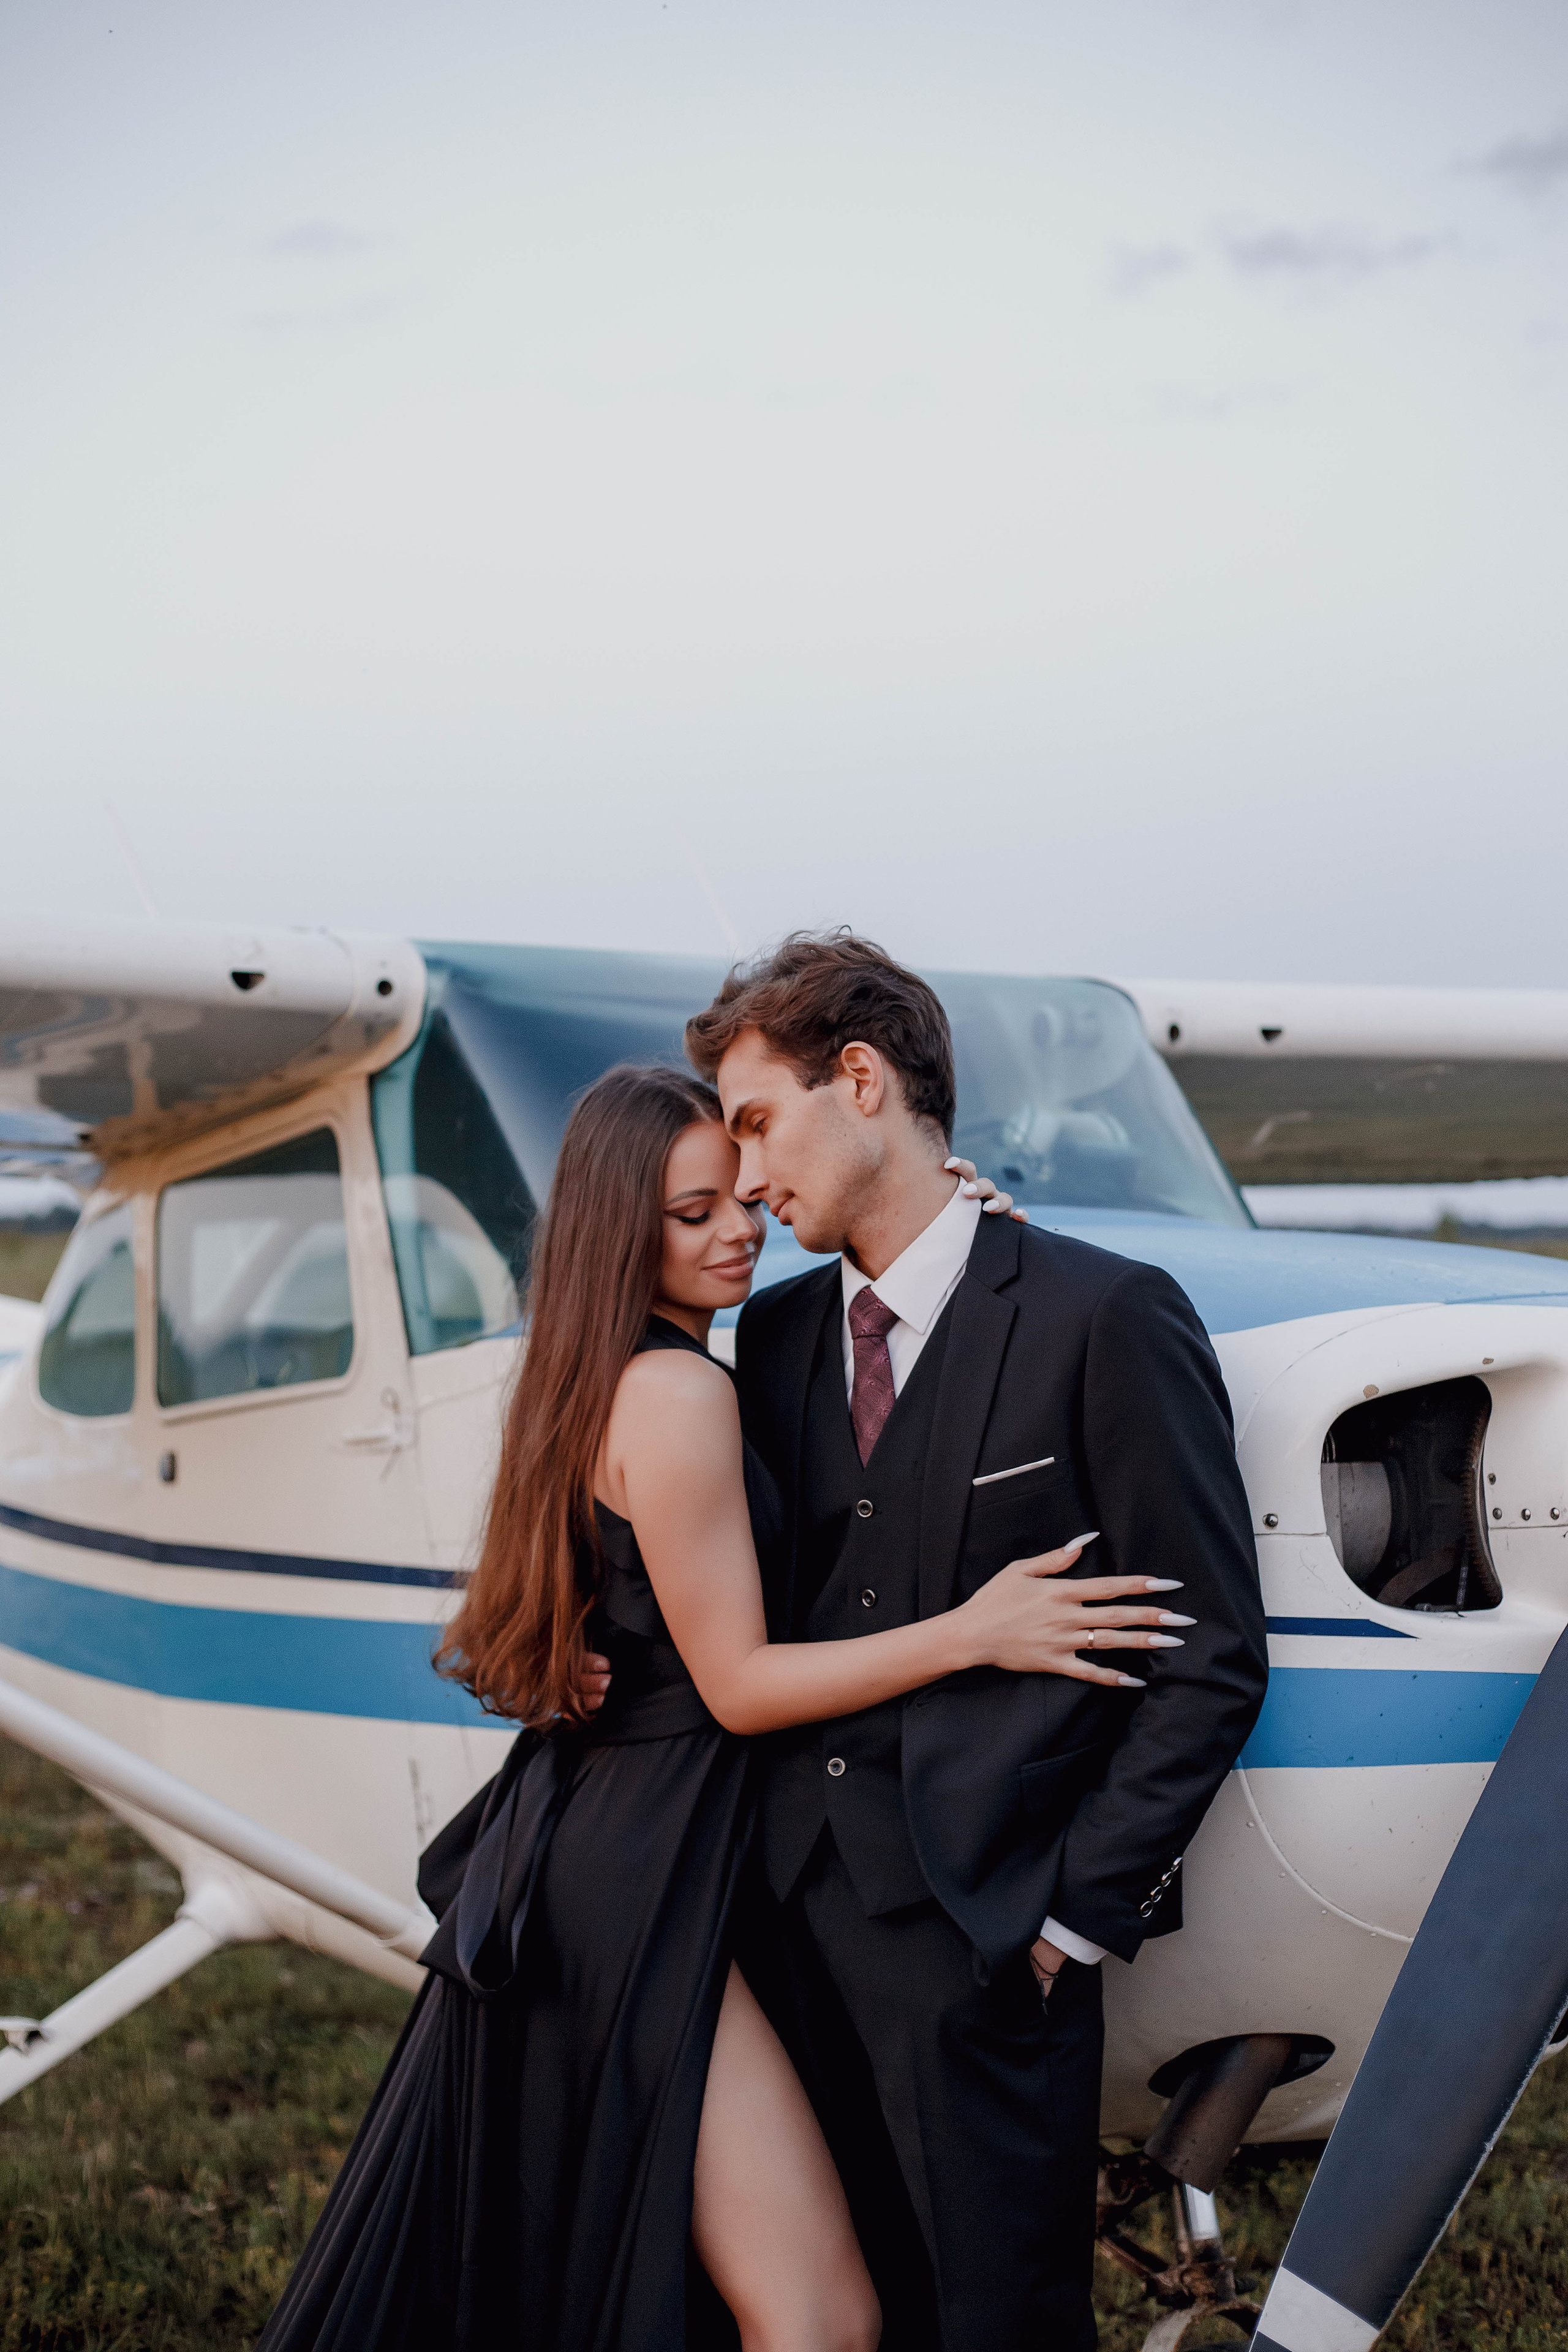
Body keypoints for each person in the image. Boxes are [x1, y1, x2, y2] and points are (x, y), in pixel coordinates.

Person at [257, 1063, 1188, 2352]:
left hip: (636, 1840)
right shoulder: (681, 1391)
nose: (739, 1229)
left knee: (698, 2275)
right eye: (692, 1215)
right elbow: (740, 1688)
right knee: (814, 2313)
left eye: (742, 1197)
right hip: (645, 1874)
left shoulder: (607, 1371)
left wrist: (951, 1220)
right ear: (616, 1229)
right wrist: (976, 1630)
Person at [683, 933, 1268, 2352]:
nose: (748, 1179)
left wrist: (1066, 1924)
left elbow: (1208, 1657)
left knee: (997, 2322)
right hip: (778, 1920)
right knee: (820, 2310)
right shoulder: (761, 1349)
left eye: (757, 1124)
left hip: (987, 1940)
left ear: (863, 1079)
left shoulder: (1102, 1317)